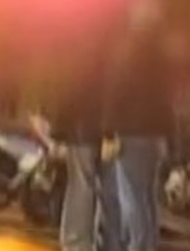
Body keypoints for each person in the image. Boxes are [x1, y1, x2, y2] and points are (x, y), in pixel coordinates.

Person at [103, 0, 173, 251]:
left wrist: (108, 129)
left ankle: (138, 245)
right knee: (148, 198)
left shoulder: (127, 51)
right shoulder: (162, 54)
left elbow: (116, 92)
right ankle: (148, 244)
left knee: (131, 196)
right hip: (155, 136)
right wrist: (170, 135)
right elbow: (168, 98)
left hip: (131, 133)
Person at [55, 26, 123, 251]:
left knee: (82, 186)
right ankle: (109, 242)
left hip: (83, 130)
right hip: (108, 129)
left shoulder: (80, 54)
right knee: (109, 190)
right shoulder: (116, 53)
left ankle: (77, 242)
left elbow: (71, 92)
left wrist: (60, 126)